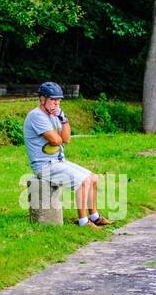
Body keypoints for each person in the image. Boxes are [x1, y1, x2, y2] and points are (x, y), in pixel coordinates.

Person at [23, 81, 114, 227]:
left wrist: (63, 118)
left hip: (58, 161)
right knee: (83, 181)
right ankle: (83, 222)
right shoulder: (36, 116)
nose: (56, 103)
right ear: (42, 99)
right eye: (53, 100)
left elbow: (66, 138)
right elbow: (55, 140)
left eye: (58, 100)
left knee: (93, 178)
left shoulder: (55, 115)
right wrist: (59, 137)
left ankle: (94, 216)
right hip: (44, 166)